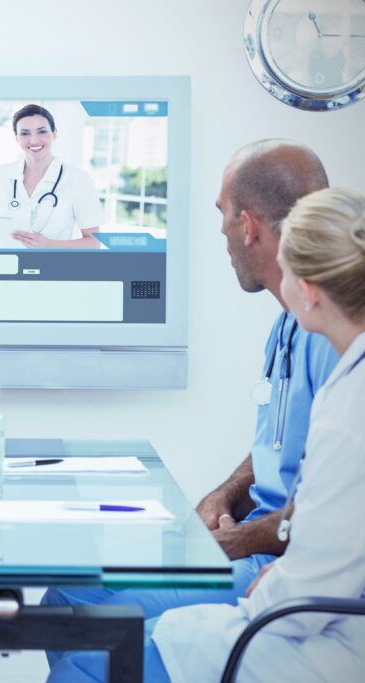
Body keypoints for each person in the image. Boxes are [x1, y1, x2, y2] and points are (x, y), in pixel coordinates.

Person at [51, 187, 365, 682]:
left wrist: (267, 573)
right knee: (68, 605)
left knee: (93, 660)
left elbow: (320, 557)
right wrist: (229, 500)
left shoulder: (348, 396)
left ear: (306, 288)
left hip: (321, 622)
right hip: (304, 587)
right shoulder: (337, 367)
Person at [0, 104, 103, 249]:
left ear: (54, 133)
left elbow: (94, 243)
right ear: (17, 138)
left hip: (52, 267)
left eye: (42, 131)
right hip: (9, 264)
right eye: (25, 133)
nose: (33, 140)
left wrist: (49, 245)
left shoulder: (79, 179)